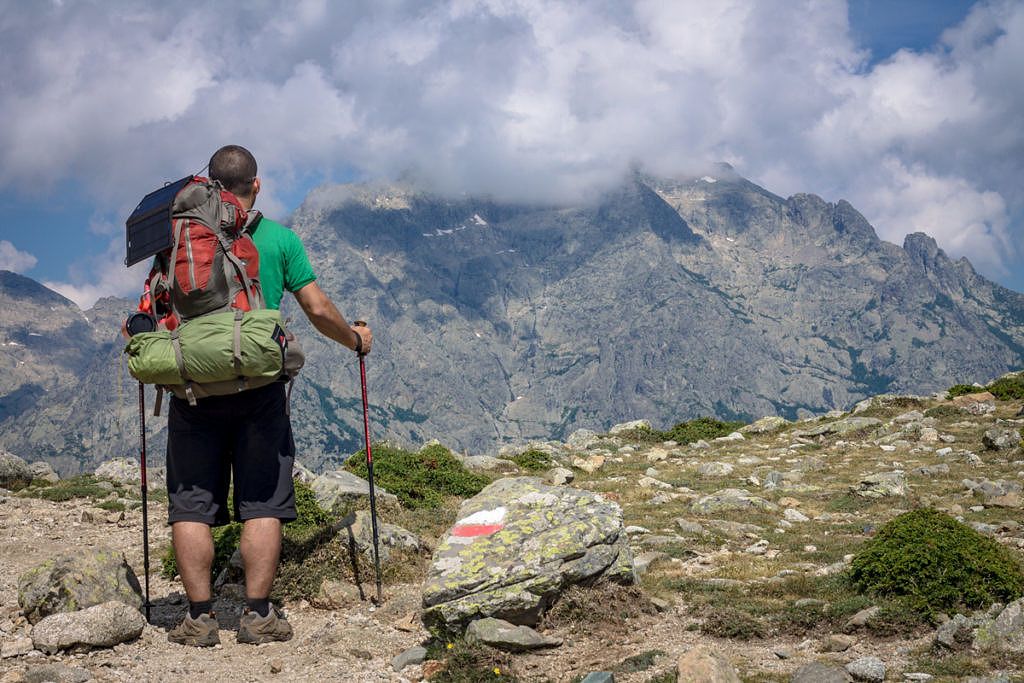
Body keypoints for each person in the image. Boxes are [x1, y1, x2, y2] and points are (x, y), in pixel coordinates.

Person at [166, 145, 373, 647]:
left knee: (191, 505)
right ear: (254, 185)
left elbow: (153, 304)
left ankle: (198, 618)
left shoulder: (178, 238)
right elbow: (319, 310)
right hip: (260, 388)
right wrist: (356, 340)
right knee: (262, 500)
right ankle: (257, 617)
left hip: (193, 386)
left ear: (209, 186)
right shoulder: (279, 238)